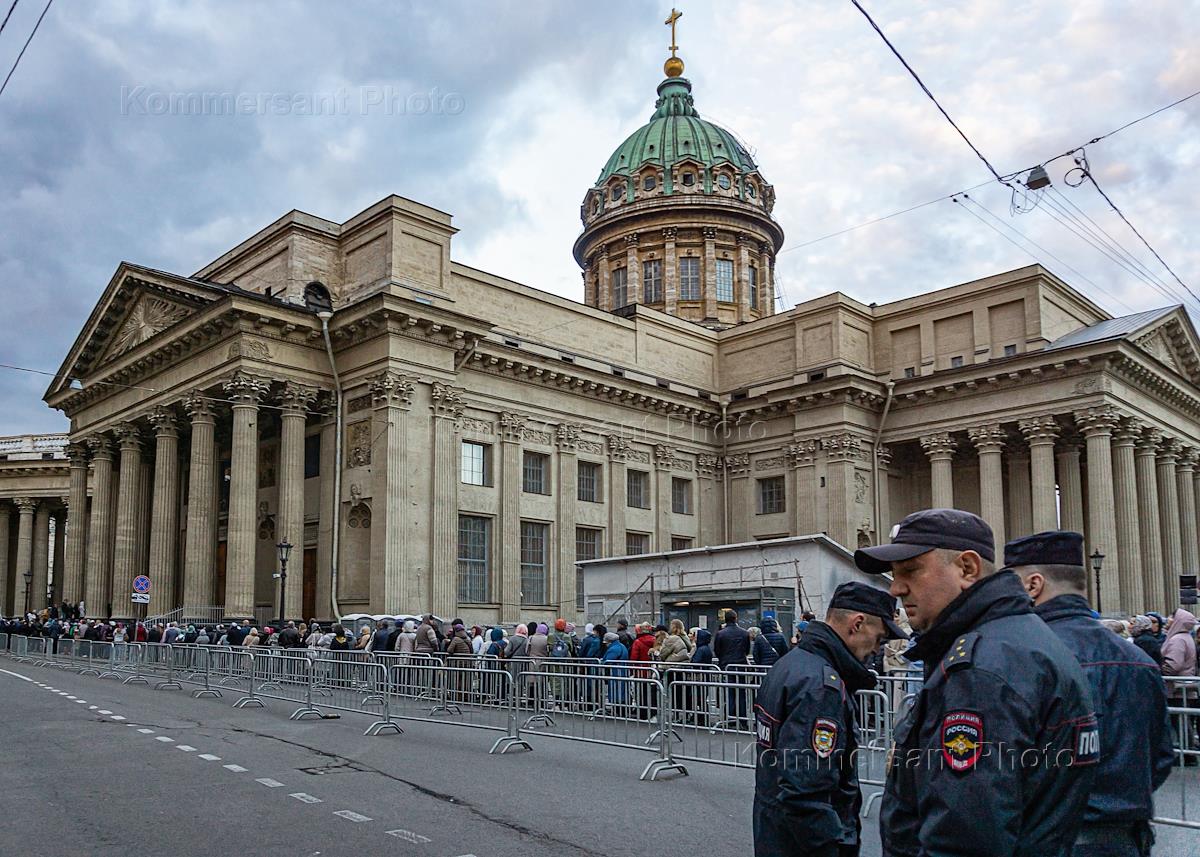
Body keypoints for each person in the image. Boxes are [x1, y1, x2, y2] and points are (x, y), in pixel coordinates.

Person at [855, 508, 1099, 856]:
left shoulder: (980, 671)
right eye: (894, 574)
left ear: (967, 568)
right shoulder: (1020, 642)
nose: (895, 588)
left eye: (910, 570)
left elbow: (963, 836)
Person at [1008, 531, 1174, 856]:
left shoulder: (1021, 656)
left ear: (1033, 585)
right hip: (1123, 840)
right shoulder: (1139, 660)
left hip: (1046, 841)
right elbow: (1160, 756)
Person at [753, 581, 906, 857]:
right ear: (857, 624)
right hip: (803, 844)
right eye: (879, 639)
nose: (877, 649)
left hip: (775, 831)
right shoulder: (821, 686)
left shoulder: (791, 664)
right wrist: (831, 848)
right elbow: (804, 793)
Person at [715, 610, 752, 727]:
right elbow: (747, 650)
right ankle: (743, 720)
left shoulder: (720, 634)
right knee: (741, 693)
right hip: (740, 665)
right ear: (736, 618)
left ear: (725, 619)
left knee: (729, 693)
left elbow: (717, 651)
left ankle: (730, 719)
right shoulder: (744, 633)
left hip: (726, 666)